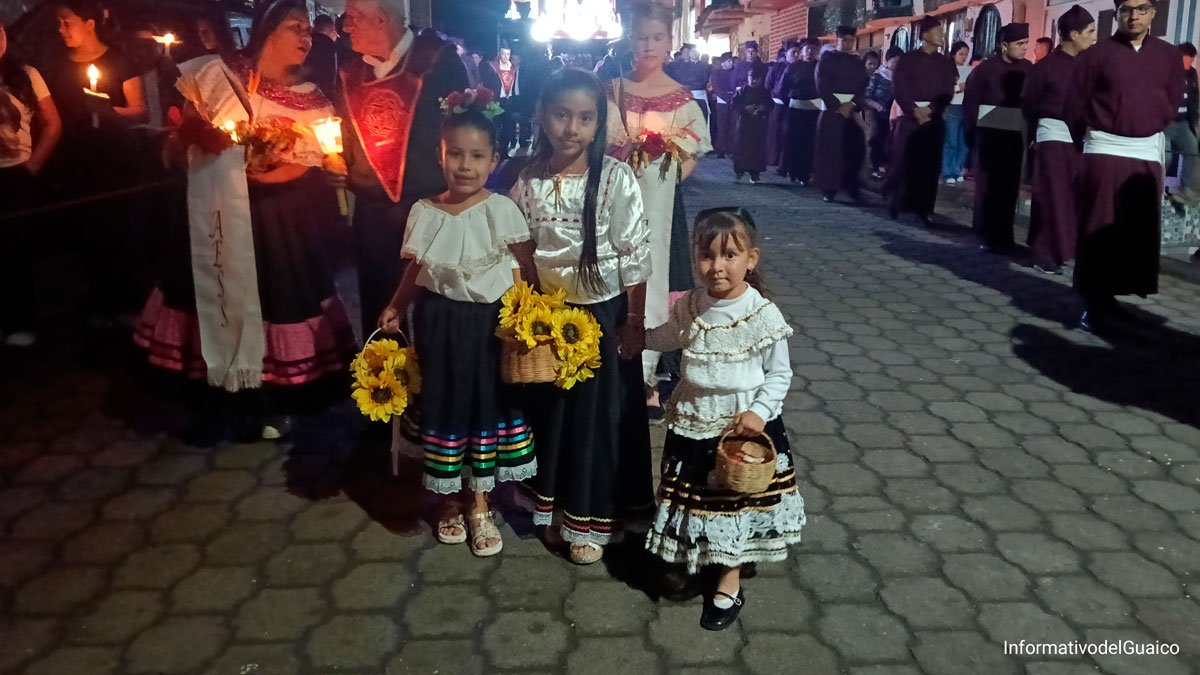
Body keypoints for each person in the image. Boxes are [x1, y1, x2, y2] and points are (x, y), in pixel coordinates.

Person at [134, 0, 357, 442]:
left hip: (276, 222)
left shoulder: (311, 97)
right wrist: (195, 143)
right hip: (215, 209)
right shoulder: (224, 79)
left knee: (274, 304)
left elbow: (301, 166)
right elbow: (188, 138)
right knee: (212, 295)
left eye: (309, 28)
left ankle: (274, 401)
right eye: (295, 26)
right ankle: (215, 396)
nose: (306, 36)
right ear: (267, 30)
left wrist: (256, 169)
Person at [380, 104, 537, 557]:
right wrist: (396, 305)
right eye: (456, 155)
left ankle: (480, 503)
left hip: (489, 327)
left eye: (477, 156)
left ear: (494, 160)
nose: (465, 166)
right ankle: (448, 498)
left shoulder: (502, 209)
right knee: (444, 404)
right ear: (440, 154)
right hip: (438, 324)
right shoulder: (424, 211)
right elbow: (416, 271)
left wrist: (527, 321)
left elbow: (523, 268)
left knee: (483, 406)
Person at [510, 69, 653, 565]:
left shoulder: (615, 179)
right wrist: (526, 314)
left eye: (585, 118)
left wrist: (633, 323)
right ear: (541, 117)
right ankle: (552, 512)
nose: (572, 128)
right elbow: (520, 250)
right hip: (549, 319)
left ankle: (594, 519)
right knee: (554, 421)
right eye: (561, 115)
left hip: (603, 317)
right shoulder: (527, 178)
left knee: (598, 424)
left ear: (599, 125)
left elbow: (635, 257)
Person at [643, 207, 803, 632]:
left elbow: (780, 373)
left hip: (739, 432)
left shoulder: (761, 313)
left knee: (733, 504)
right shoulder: (693, 305)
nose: (717, 267)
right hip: (695, 422)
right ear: (695, 257)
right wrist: (636, 339)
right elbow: (669, 336)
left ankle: (729, 579)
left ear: (750, 259)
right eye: (707, 255)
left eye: (730, 255)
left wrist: (758, 412)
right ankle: (704, 552)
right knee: (698, 499)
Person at [338, 0, 470, 339]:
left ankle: (437, 381)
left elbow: (464, 133)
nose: (345, 26)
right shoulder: (351, 72)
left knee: (436, 307)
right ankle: (386, 385)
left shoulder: (437, 61)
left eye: (353, 17)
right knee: (379, 310)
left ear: (380, 19)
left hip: (431, 208)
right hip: (373, 213)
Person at [608, 1, 712, 411]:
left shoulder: (681, 99)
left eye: (656, 37)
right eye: (640, 37)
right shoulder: (612, 91)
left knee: (657, 278)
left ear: (670, 41)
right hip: (614, 204)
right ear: (628, 38)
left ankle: (649, 371)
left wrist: (659, 173)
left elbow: (690, 158)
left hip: (662, 207)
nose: (648, 45)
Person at [1067, 0, 1184, 331]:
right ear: (1117, 13)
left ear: (1153, 13)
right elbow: (1075, 102)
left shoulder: (1168, 56)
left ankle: (1112, 299)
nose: (1134, 16)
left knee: (1133, 230)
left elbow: (1172, 99)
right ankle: (1093, 302)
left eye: (1142, 8)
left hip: (1145, 151)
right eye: (1127, 9)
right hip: (1105, 149)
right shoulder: (1096, 55)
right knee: (1098, 227)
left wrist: (1150, 122)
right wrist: (1086, 141)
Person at [40, 0, 149, 323]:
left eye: (67, 22)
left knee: (120, 229)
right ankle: (98, 301)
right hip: (77, 161)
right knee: (88, 232)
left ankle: (129, 302)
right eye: (58, 24)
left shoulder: (119, 60)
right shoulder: (56, 63)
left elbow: (141, 111)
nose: (61, 30)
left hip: (116, 160)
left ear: (89, 23)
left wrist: (109, 112)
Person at [0, 19, 62, 348]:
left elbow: (53, 124)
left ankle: (20, 320)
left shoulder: (26, 74)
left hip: (16, 173)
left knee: (14, 250)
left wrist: (33, 166)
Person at [1023, 6, 1097, 274]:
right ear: (1073, 34)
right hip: (1053, 138)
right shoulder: (1045, 68)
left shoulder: (1089, 66)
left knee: (1072, 198)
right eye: (1090, 32)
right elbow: (1030, 104)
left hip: (1081, 141)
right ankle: (1043, 252)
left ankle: (1065, 248)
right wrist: (1035, 136)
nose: (1093, 38)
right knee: (1050, 196)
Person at [963, 23, 1032, 253]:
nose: (1024, 48)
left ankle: (1005, 236)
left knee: (1010, 188)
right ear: (1004, 45)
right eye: (1019, 44)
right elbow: (971, 105)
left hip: (1015, 137)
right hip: (989, 138)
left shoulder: (1028, 69)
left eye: (1026, 43)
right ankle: (985, 234)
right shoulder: (984, 70)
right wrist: (973, 137)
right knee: (988, 187)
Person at [884, 18, 957, 224]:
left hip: (933, 119)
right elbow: (899, 87)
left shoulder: (945, 63)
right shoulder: (907, 60)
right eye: (938, 31)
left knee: (929, 165)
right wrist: (913, 110)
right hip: (909, 117)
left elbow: (948, 90)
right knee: (902, 161)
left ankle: (923, 208)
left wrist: (932, 109)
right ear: (925, 35)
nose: (942, 35)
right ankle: (896, 201)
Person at [813, 26, 869, 203]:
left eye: (851, 40)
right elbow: (821, 85)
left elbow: (863, 86)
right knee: (830, 152)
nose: (848, 43)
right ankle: (828, 189)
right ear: (837, 40)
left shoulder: (857, 63)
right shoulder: (827, 60)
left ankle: (852, 186)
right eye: (844, 40)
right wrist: (837, 105)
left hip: (851, 111)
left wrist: (852, 104)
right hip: (832, 111)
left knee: (855, 150)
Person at [782, 38, 821, 185]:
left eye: (813, 49)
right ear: (802, 51)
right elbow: (783, 88)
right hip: (796, 110)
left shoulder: (820, 67)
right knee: (794, 141)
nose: (810, 52)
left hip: (814, 111)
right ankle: (794, 171)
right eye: (807, 49)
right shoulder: (793, 67)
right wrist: (789, 102)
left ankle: (807, 173)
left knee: (810, 143)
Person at [1165, 43, 1198, 205]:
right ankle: (1155, 189)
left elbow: (1194, 98)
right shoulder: (1166, 70)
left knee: (1192, 151)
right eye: (1187, 60)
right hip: (1166, 123)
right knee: (1165, 156)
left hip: (1183, 123)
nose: (1189, 64)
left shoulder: (1191, 74)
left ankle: (1186, 191)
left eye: (1192, 61)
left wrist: (1194, 120)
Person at [732, 62, 771, 183]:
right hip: (744, 123)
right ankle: (739, 171)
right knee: (741, 147)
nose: (753, 81)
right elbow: (734, 104)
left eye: (756, 78)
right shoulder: (742, 91)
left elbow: (770, 104)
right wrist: (745, 108)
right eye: (751, 78)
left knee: (757, 148)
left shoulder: (764, 91)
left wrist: (763, 108)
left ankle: (755, 173)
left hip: (758, 124)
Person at [865, 47, 900, 179]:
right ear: (888, 60)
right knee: (877, 140)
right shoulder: (878, 75)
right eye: (895, 61)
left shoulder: (899, 77)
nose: (897, 65)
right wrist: (878, 106)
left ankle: (886, 165)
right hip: (877, 113)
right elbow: (867, 96)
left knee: (889, 140)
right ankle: (875, 167)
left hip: (892, 113)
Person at [480, 44, 521, 158]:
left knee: (508, 127)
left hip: (509, 100)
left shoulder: (514, 68)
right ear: (499, 54)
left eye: (508, 54)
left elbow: (516, 86)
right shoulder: (492, 67)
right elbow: (486, 83)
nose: (505, 56)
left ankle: (503, 151)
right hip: (496, 100)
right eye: (503, 54)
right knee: (495, 127)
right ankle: (493, 151)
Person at [941, 41, 972, 184]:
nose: (964, 57)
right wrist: (958, 87)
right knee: (951, 141)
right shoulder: (947, 70)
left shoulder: (970, 70)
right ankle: (948, 171)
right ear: (954, 54)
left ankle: (958, 169)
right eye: (961, 54)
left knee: (963, 142)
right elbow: (943, 89)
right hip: (951, 107)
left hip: (965, 108)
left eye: (966, 54)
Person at [765, 44, 796, 170]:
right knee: (775, 133)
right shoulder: (777, 67)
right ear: (786, 54)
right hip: (777, 104)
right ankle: (773, 158)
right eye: (793, 52)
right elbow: (768, 84)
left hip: (793, 105)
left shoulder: (799, 67)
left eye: (798, 52)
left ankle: (786, 162)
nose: (796, 55)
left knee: (788, 134)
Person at [667, 43, 711, 122]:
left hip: (699, 96)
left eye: (693, 51)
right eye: (686, 52)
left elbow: (704, 81)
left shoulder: (704, 65)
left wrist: (690, 86)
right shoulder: (677, 66)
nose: (689, 54)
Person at [305, 14, 339, 99]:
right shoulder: (330, 46)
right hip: (323, 95)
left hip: (303, 90)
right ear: (331, 30)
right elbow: (332, 76)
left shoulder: (305, 42)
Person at [709, 53, 736, 158]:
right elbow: (717, 88)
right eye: (728, 61)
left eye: (731, 61)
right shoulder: (716, 74)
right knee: (722, 126)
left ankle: (731, 149)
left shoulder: (735, 73)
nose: (731, 63)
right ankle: (721, 149)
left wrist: (733, 96)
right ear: (723, 63)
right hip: (722, 102)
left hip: (733, 102)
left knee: (732, 126)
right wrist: (727, 97)